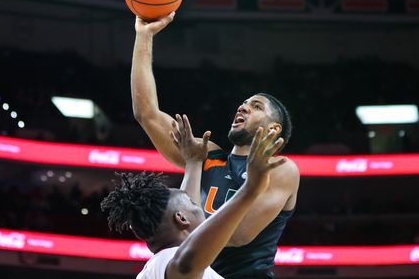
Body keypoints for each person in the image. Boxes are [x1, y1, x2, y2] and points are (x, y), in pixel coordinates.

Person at [130, 13, 300, 278]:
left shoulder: (280, 168)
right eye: (244, 102)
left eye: (256, 106)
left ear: (273, 129)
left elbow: (238, 233)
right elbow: (146, 113)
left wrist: (182, 222)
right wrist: (144, 35)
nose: (243, 106)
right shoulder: (203, 155)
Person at [101, 116, 286, 279]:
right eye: (192, 203)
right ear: (181, 218)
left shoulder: (161, 263)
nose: (199, 205)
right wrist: (250, 189)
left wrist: (194, 162)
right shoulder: (170, 262)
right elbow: (186, 264)